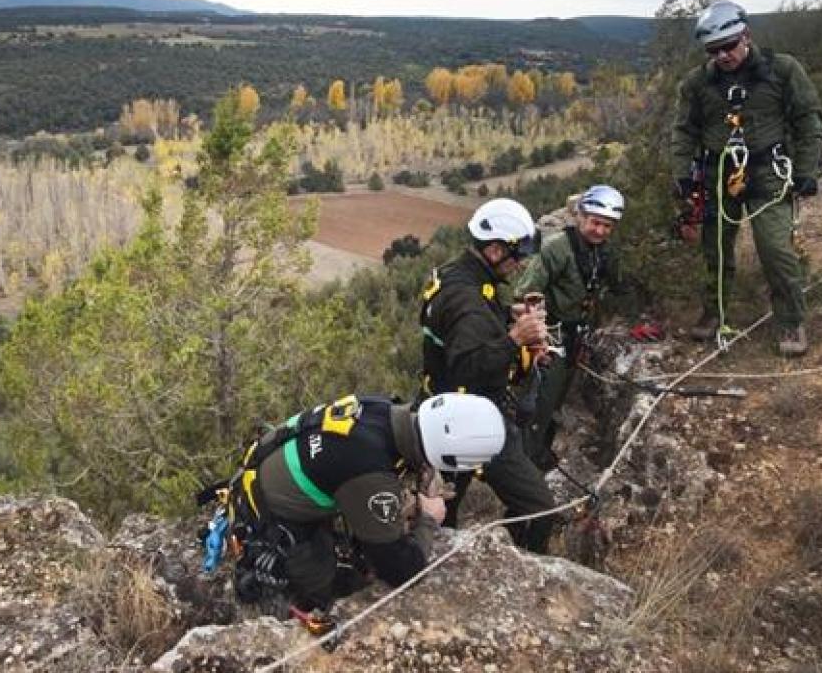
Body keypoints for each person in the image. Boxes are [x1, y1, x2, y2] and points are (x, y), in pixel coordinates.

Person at [224, 392, 505, 623]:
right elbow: (399, 569)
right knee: (332, 588)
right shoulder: (369, 473)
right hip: (276, 523)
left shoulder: (381, 409)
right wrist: (429, 520)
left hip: (264, 477)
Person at [671, 0, 822, 356]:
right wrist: (681, 174)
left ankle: (790, 319)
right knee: (715, 249)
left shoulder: (782, 70)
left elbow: (808, 120)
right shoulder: (697, 83)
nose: (723, 56)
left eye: (728, 46)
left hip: (768, 173)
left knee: (775, 248)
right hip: (717, 175)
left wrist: (806, 170)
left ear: (746, 36)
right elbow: (684, 131)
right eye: (714, 50)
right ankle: (714, 311)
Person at [418, 198, 558, 551]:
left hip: (441, 414)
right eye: (517, 255)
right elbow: (467, 367)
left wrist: (503, 315)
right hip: (470, 421)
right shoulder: (469, 302)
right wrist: (515, 339)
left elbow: (458, 325)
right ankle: (525, 565)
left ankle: (438, 561)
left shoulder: (457, 274)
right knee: (540, 509)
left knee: (443, 514)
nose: (520, 263)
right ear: (495, 250)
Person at [512, 184, 637, 469]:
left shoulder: (604, 253)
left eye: (607, 226)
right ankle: (526, 460)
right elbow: (526, 294)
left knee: (557, 397)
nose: (600, 231)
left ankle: (540, 449)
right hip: (552, 334)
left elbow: (620, 287)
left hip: (578, 333)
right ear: (580, 216)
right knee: (542, 398)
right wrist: (538, 338)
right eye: (595, 222)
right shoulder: (557, 248)